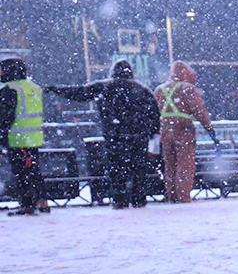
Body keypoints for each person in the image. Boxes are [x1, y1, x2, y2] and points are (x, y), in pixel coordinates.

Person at [49, 61, 159, 208]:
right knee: (138, 168)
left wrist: (57, 89)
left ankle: (120, 200)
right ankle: (139, 199)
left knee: (117, 168)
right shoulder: (143, 89)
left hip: (115, 135)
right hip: (138, 136)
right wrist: (151, 133)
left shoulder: (105, 86)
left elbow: (80, 93)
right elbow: (154, 114)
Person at [156, 62, 218, 204]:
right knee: (185, 164)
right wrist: (209, 128)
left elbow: (153, 112)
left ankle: (172, 195)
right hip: (184, 130)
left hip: (165, 130)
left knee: (170, 164)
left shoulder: (160, 90)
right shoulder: (187, 89)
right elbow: (199, 111)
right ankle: (183, 196)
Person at [1, 58, 49, 216]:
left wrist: (2, 134)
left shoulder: (10, 89)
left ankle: (27, 204)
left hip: (17, 137)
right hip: (34, 136)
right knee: (34, 169)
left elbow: (5, 116)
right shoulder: (34, 87)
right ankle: (42, 201)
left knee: (21, 172)